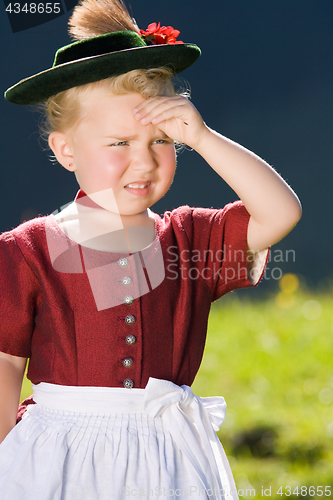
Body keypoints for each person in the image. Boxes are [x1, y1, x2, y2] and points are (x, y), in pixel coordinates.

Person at [0, 0, 302, 498]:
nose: (143, 162)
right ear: (66, 150)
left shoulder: (189, 239)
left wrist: (204, 138)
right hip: (61, 456)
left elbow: (281, 212)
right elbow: (6, 366)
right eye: (119, 144)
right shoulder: (27, 250)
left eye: (161, 141)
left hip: (167, 459)